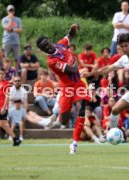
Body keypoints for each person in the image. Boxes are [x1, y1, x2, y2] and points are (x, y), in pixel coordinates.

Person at [36, 24, 91, 154]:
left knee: (81, 110)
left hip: (78, 84)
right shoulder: (52, 61)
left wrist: (72, 29)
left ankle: (74, 144)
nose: (47, 47)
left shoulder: (61, 44)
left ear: (50, 41)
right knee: (64, 120)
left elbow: (69, 36)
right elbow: (72, 70)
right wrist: (76, 61)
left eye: (47, 43)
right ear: (43, 50)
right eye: (44, 47)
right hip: (66, 87)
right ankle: (55, 118)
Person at [0, 68, 21, 147]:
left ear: (4, 75)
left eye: (2, 74)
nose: (1, 75)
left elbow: (7, 96)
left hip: (2, 107)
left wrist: (4, 107)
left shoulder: (6, 84)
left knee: (3, 124)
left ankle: (15, 138)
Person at [1, 4, 23, 70]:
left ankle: (15, 72)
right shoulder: (4, 19)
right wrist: (10, 20)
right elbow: (7, 29)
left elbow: (20, 30)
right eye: (10, 10)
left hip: (16, 41)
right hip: (6, 41)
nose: (11, 12)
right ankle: (5, 71)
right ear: (7, 11)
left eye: (12, 10)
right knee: (5, 57)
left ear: (14, 11)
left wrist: (12, 30)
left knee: (16, 58)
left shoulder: (18, 19)